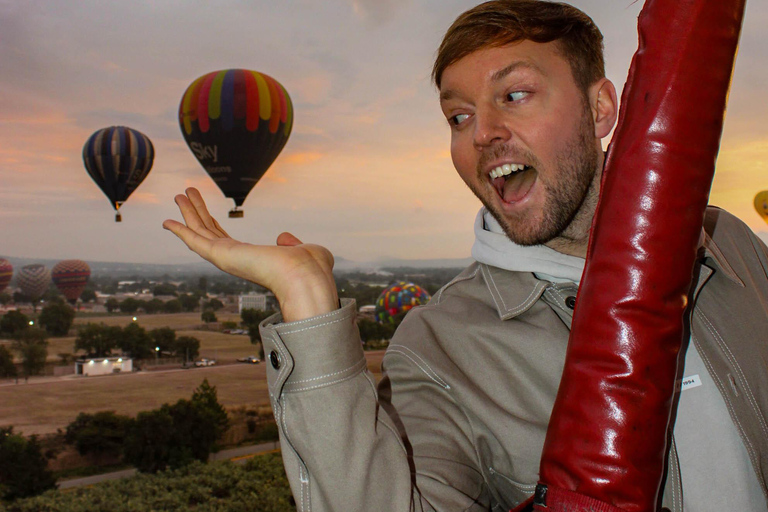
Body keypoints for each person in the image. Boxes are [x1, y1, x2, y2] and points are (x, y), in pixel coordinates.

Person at [164, 1, 768, 510]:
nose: (482, 132)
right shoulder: (442, 347)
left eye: (516, 94)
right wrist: (310, 311)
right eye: (459, 115)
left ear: (601, 108)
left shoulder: (729, 244)